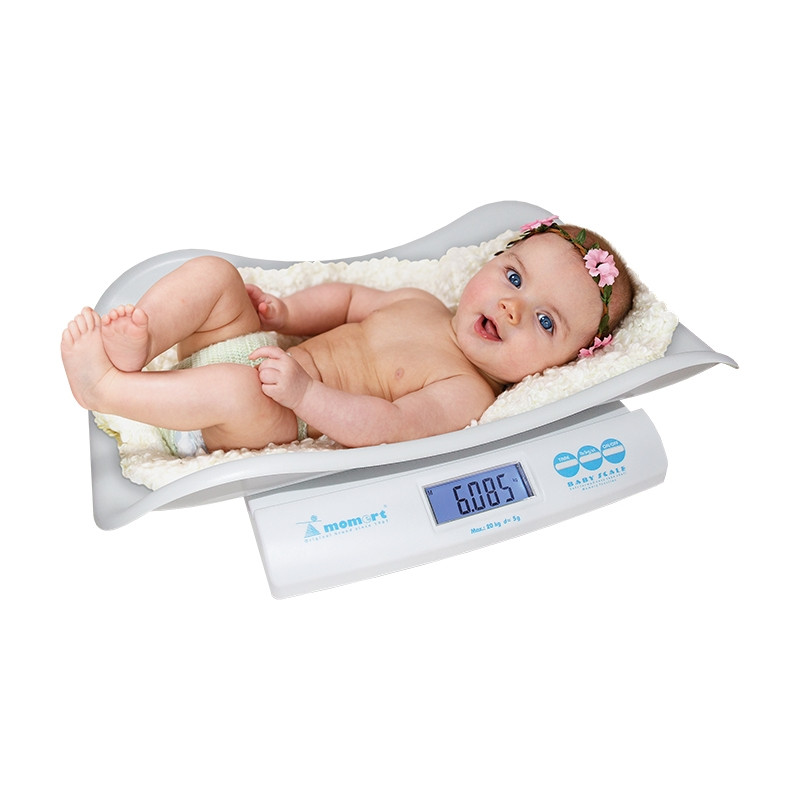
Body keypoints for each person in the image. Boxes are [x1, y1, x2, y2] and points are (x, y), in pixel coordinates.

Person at [61, 218, 633, 455]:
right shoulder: (421, 303)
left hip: (274, 416)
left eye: (545, 322)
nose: (512, 307)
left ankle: (103, 387)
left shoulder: (467, 393)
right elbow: (349, 300)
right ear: (490, 263)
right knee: (216, 276)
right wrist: (286, 312)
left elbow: (389, 426)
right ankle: (142, 344)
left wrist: (307, 395)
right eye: (513, 277)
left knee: (239, 389)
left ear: (558, 368)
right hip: (265, 355)